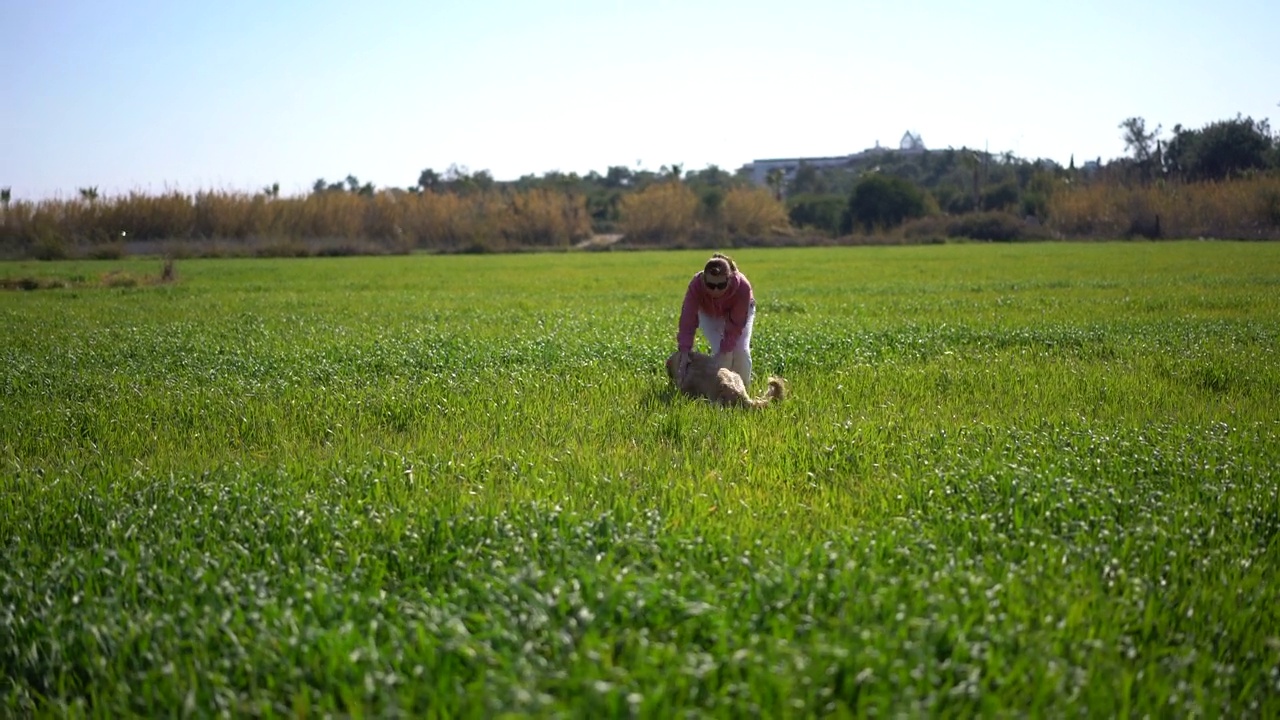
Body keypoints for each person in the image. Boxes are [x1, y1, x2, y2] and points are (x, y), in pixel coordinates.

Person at [675, 252, 756, 389]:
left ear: (729, 279)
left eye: (721, 285)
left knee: (740, 351)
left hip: (740, 315)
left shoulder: (742, 287)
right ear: (703, 279)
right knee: (721, 351)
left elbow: (735, 326)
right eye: (711, 285)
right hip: (709, 314)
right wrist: (684, 351)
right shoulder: (696, 285)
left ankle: (743, 392)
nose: (716, 290)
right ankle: (722, 392)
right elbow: (687, 320)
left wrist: (727, 349)